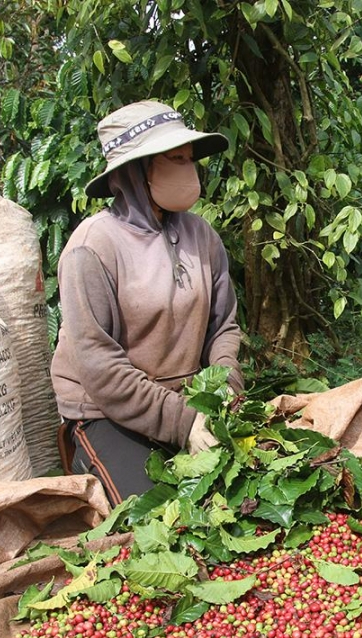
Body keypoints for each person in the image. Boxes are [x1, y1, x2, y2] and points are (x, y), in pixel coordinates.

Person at [50, 99, 244, 506]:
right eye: (175, 159)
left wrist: (225, 387)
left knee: (241, 496)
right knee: (158, 517)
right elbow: (101, 369)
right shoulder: (93, 247)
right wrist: (183, 422)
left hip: (187, 402)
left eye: (190, 159)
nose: (188, 170)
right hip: (106, 412)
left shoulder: (201, 236)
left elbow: (222, 327)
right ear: (135, 171)